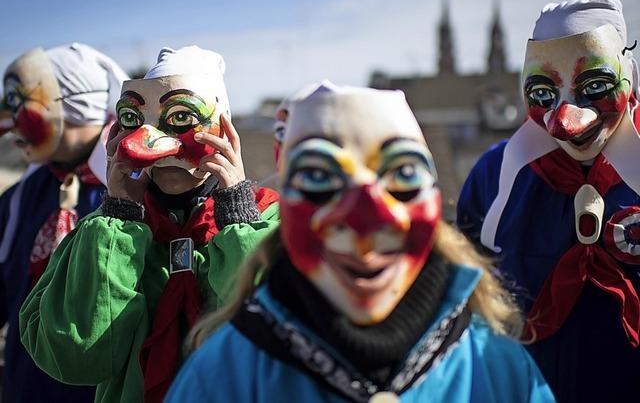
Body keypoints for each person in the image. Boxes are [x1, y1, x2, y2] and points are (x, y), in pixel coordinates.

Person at [166, 82, 555, 402]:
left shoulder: (497, 371)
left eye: (403, 176)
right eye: (318, 180)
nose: (367, 223)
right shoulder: (223, 378)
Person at [20, 46, 280, 403]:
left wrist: (237, 215)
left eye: (182, 118)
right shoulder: (100, 232)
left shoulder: (269, 221)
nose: (153, 142)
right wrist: (119, 218)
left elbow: (274, 342)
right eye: (133, 119)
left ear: (224, 129)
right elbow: (76, 358)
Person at [457, 0, 640, 402]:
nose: (565, 121)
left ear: (628, 74)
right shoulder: (494, 177)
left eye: (594, 86)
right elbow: (463, 295)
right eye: (542, 92)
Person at [0, 43, 127, 403]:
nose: (12, 128)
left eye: (25, 108)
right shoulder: (23, 196)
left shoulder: (132, 192)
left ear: (72, 108)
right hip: (25, 386)